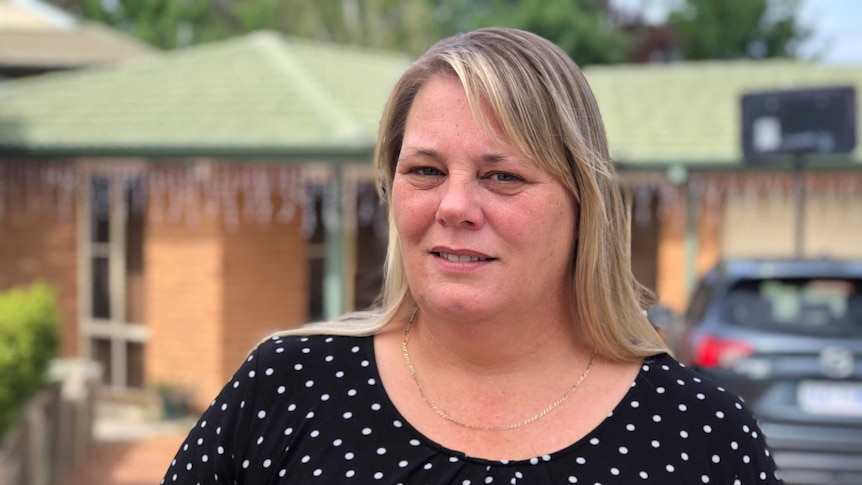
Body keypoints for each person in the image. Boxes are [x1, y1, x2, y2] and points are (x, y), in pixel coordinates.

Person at [161, 27, 782, 484]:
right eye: (426, 170)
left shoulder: (700, 434)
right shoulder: (289, 386)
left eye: (503, 176)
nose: (454, 206)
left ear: (582, 205)